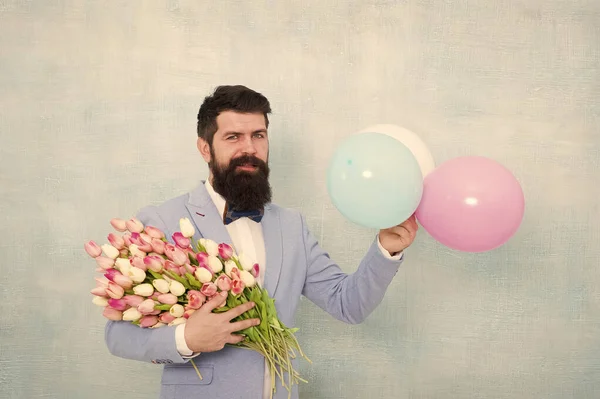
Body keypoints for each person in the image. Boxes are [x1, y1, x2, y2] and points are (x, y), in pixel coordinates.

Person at [104, 85, 419, 399]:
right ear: (204, 148)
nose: (249, 148)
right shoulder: (162, 221)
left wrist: (386, 249)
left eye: (258, 135)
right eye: (233, 137)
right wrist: (185, 338)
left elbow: (348, 304)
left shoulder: (291, 225)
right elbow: (117, 335)